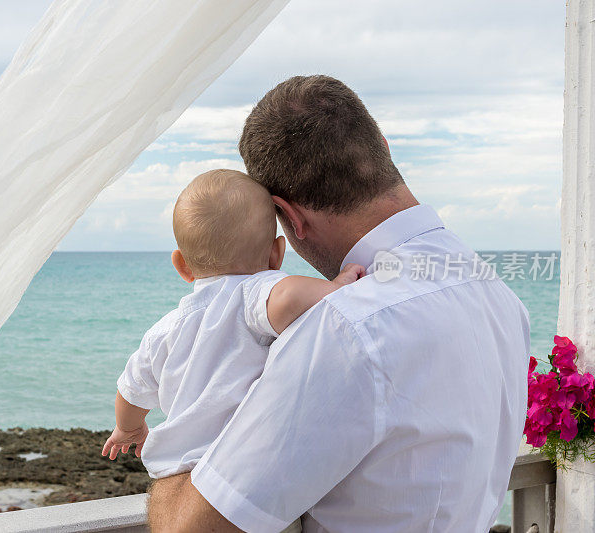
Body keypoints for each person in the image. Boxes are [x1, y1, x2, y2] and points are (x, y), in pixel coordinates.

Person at [147, 76, 531, 532]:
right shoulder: (494, 293)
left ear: (288, 216)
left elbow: (190, 529)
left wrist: (190, 416)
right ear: (384, 147)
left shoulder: (346, 328)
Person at [102, 169, 364, 533]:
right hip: (242, 477)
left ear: (181, 265)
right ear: (277, 254)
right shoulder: (255, 291)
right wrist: (337, 286)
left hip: (179, 474)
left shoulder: (164, 330)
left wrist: (128, 429)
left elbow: (130, 390)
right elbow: (288, 298)